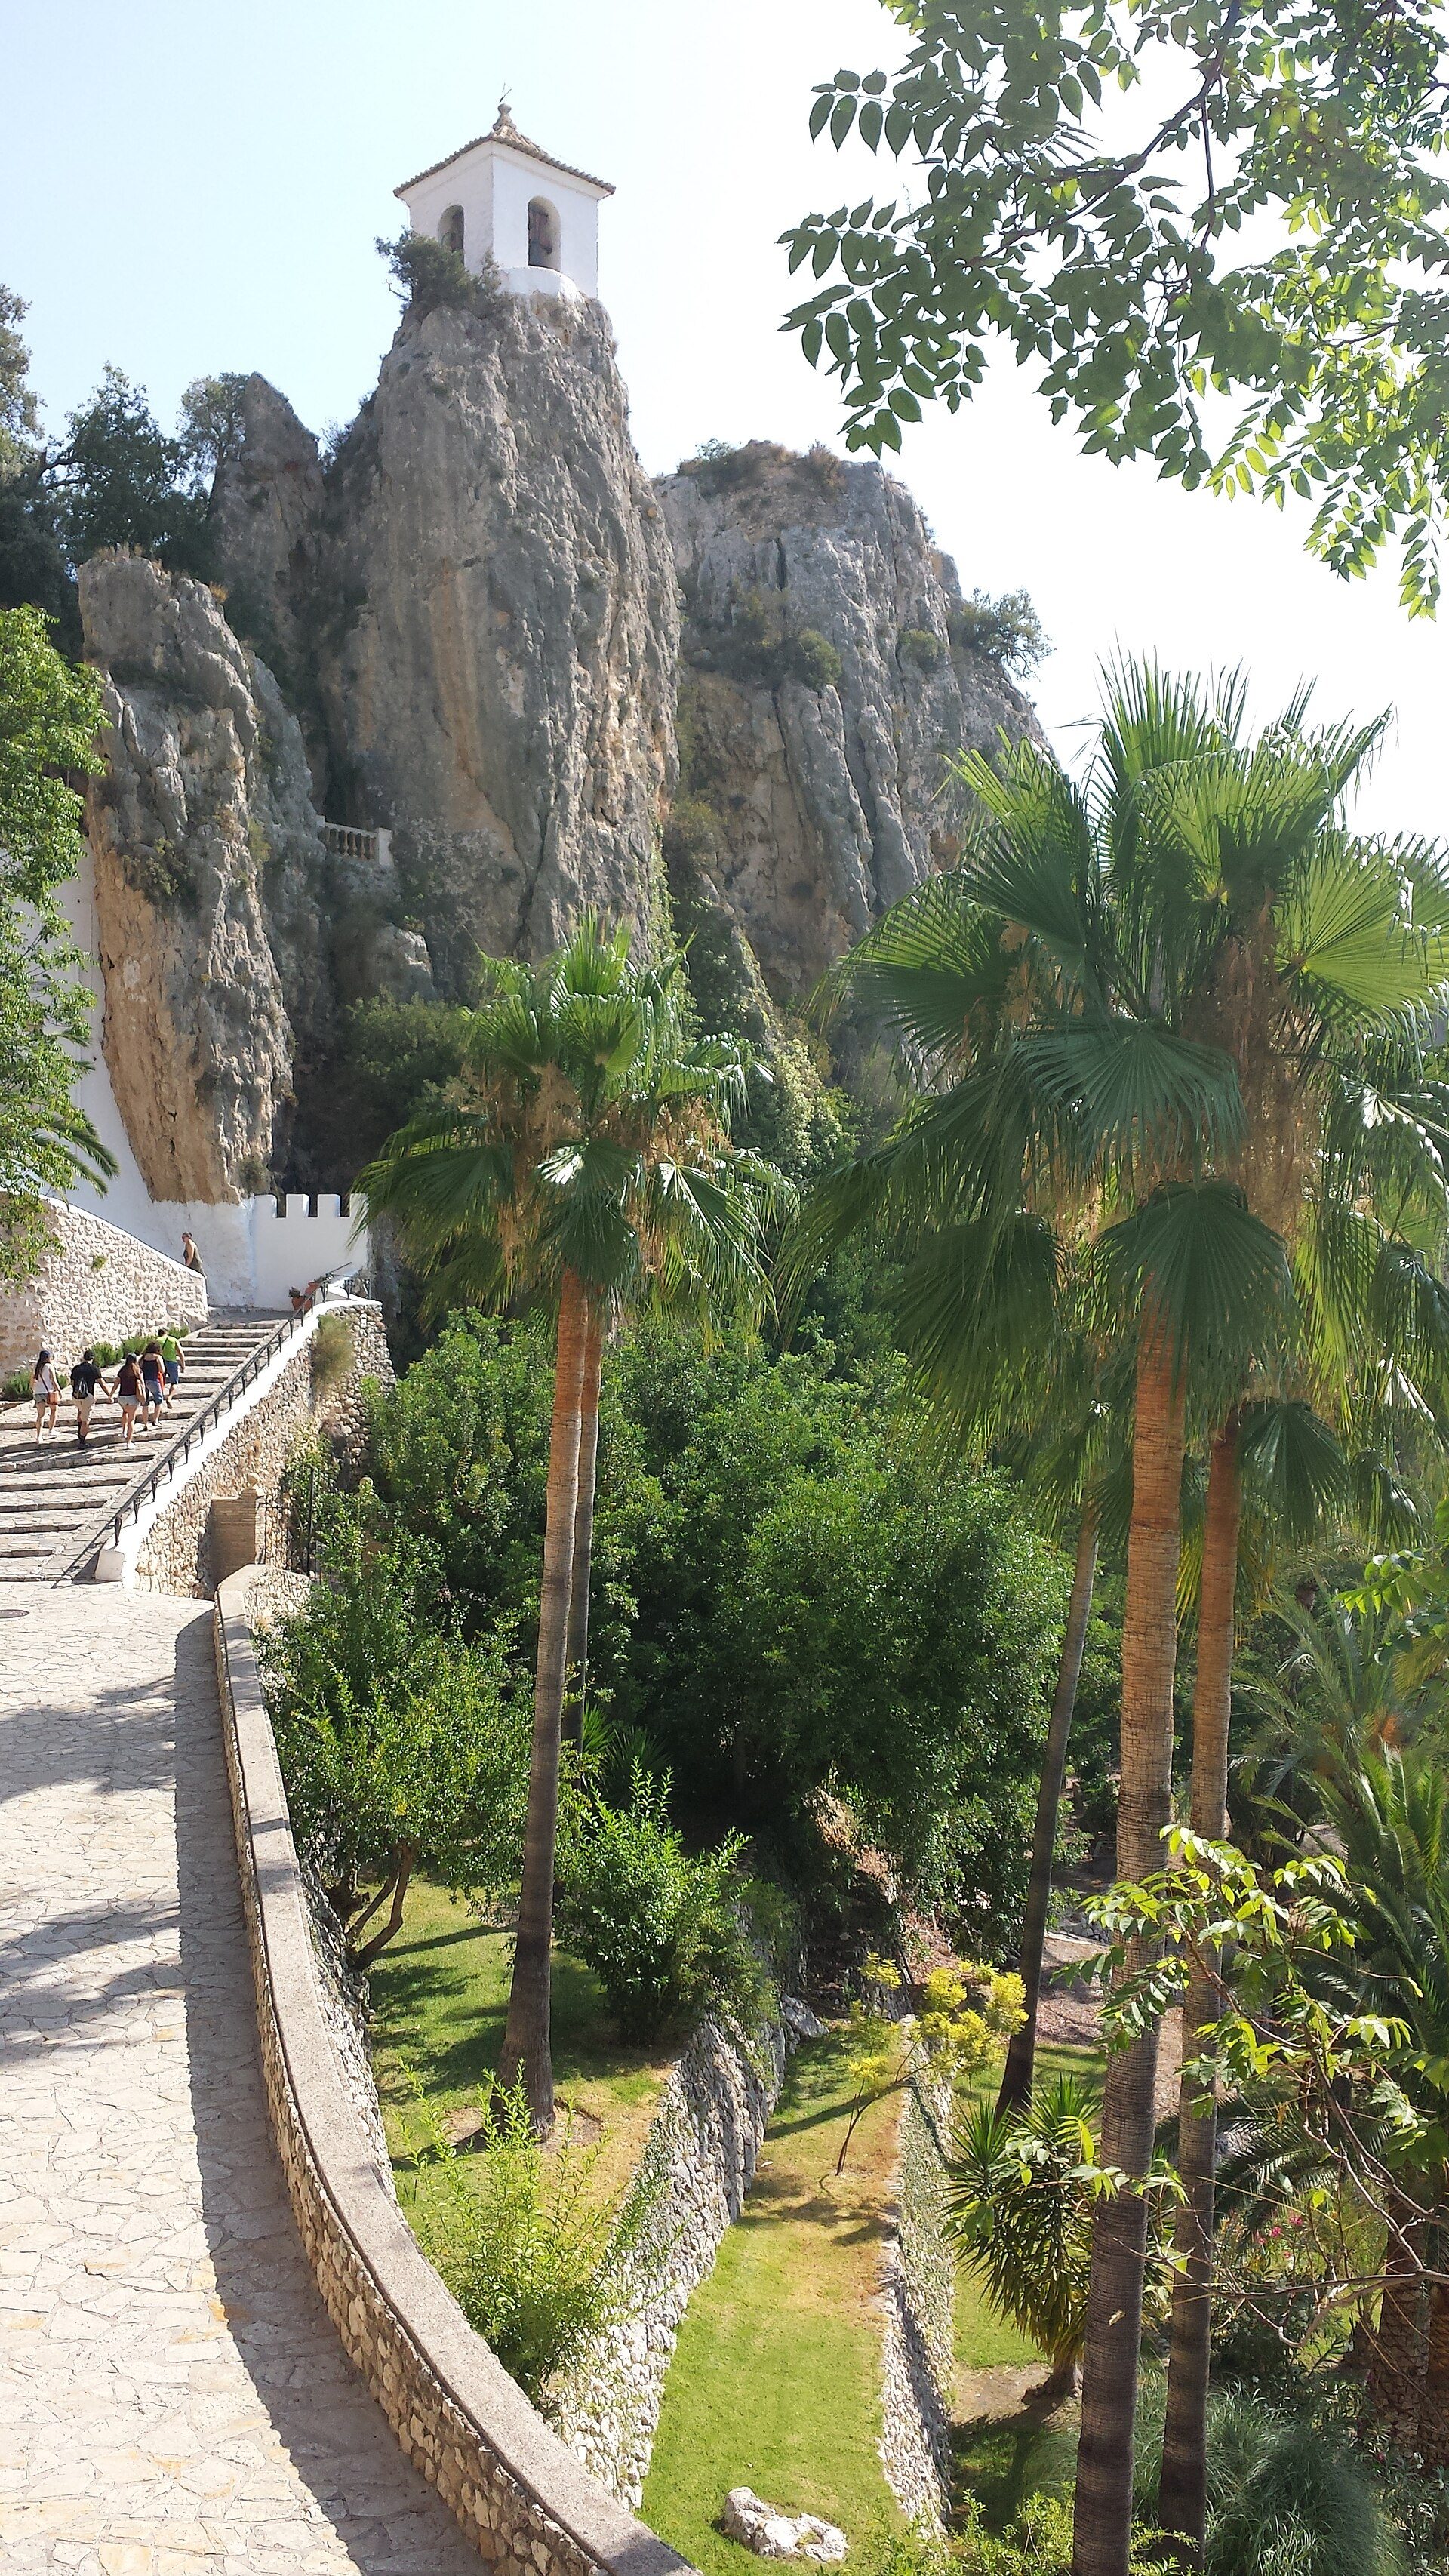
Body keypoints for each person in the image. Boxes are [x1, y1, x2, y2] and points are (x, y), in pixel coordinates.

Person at [69, 1350, 113, 1445]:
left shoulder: (76, 1369)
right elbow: (102, 1384)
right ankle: (82, 1441)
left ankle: (79, 1431)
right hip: (88, 1396)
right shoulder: (94, 1369)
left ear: (84, 1358)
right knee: (86, 1419)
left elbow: (72, 1383)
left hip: (76, 1396)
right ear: (92, 1358)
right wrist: (109, 1395)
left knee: (80, 1411)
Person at [115, 1350, 144, 1446]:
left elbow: (117, 1383)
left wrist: (110, 1394)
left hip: (122, 1397)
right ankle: (129, 1442)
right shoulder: (137, 1370)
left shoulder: (122, 1370)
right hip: (133, 1397)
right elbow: (142, 1384)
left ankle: (123, 1431)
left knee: (125, 1412)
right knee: (131, 1419)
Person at [30, 1349, 59, 1442]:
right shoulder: (49, 1367)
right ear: (48, 1358)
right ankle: (51, 1430)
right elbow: (54, 1381)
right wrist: (59, 1390)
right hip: (48, 1392)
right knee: (54, 1410)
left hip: (38, 1392)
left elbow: (32, 1381)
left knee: (40, 1415)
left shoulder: (36, 1367)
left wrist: (33, 1390)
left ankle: (39, 1436)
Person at [139, 1342, 165, 1430]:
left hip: (144, 1381)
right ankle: (156, 1420)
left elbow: (139, 1369)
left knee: (145, 1403)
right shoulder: (157, 1357)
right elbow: (162, 1370)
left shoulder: (143, 1358)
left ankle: (145, 1424)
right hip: (154, 1380)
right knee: (159, 1401)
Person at [158, 1328, 186, 1407]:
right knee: (174, 1383)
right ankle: (169, 1397)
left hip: (161, 1363)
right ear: (166, 1333)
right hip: (172, 1363)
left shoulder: (157, 1341)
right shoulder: (173, 1340)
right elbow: (180, 1353)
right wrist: (183, 1365)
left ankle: (160, 1403)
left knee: (161, 1382)